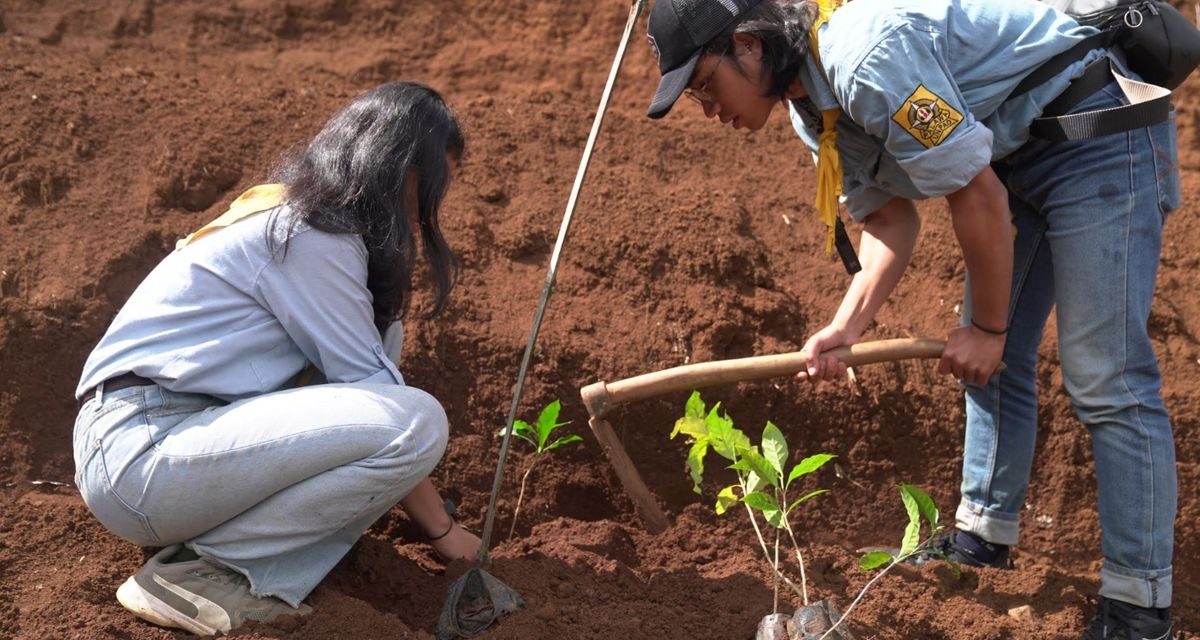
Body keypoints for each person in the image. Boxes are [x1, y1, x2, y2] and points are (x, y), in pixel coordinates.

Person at [643, 0, 1179, 638]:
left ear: (749, 46)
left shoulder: (866, 59)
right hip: (1019, 152)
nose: (711, 110)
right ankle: (984, 539)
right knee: (986, 359)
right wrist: (847, 327)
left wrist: (987, 329)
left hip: (1095, 135)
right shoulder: (811, 107)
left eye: (706, 85)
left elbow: (976, 195)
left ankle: (1139, 608)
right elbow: (890, 219)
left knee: (1104, 377)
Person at [72, 81, 481, 636]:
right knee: (414, 419)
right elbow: (389, 413)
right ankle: (209, 571)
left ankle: (217, 550)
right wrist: (444, 532)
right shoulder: (308, 236)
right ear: (391, 165)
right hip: (143, 454)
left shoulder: (301, 221)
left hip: (166, 450)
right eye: (428, 188)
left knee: (388, 350)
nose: (427, 213)